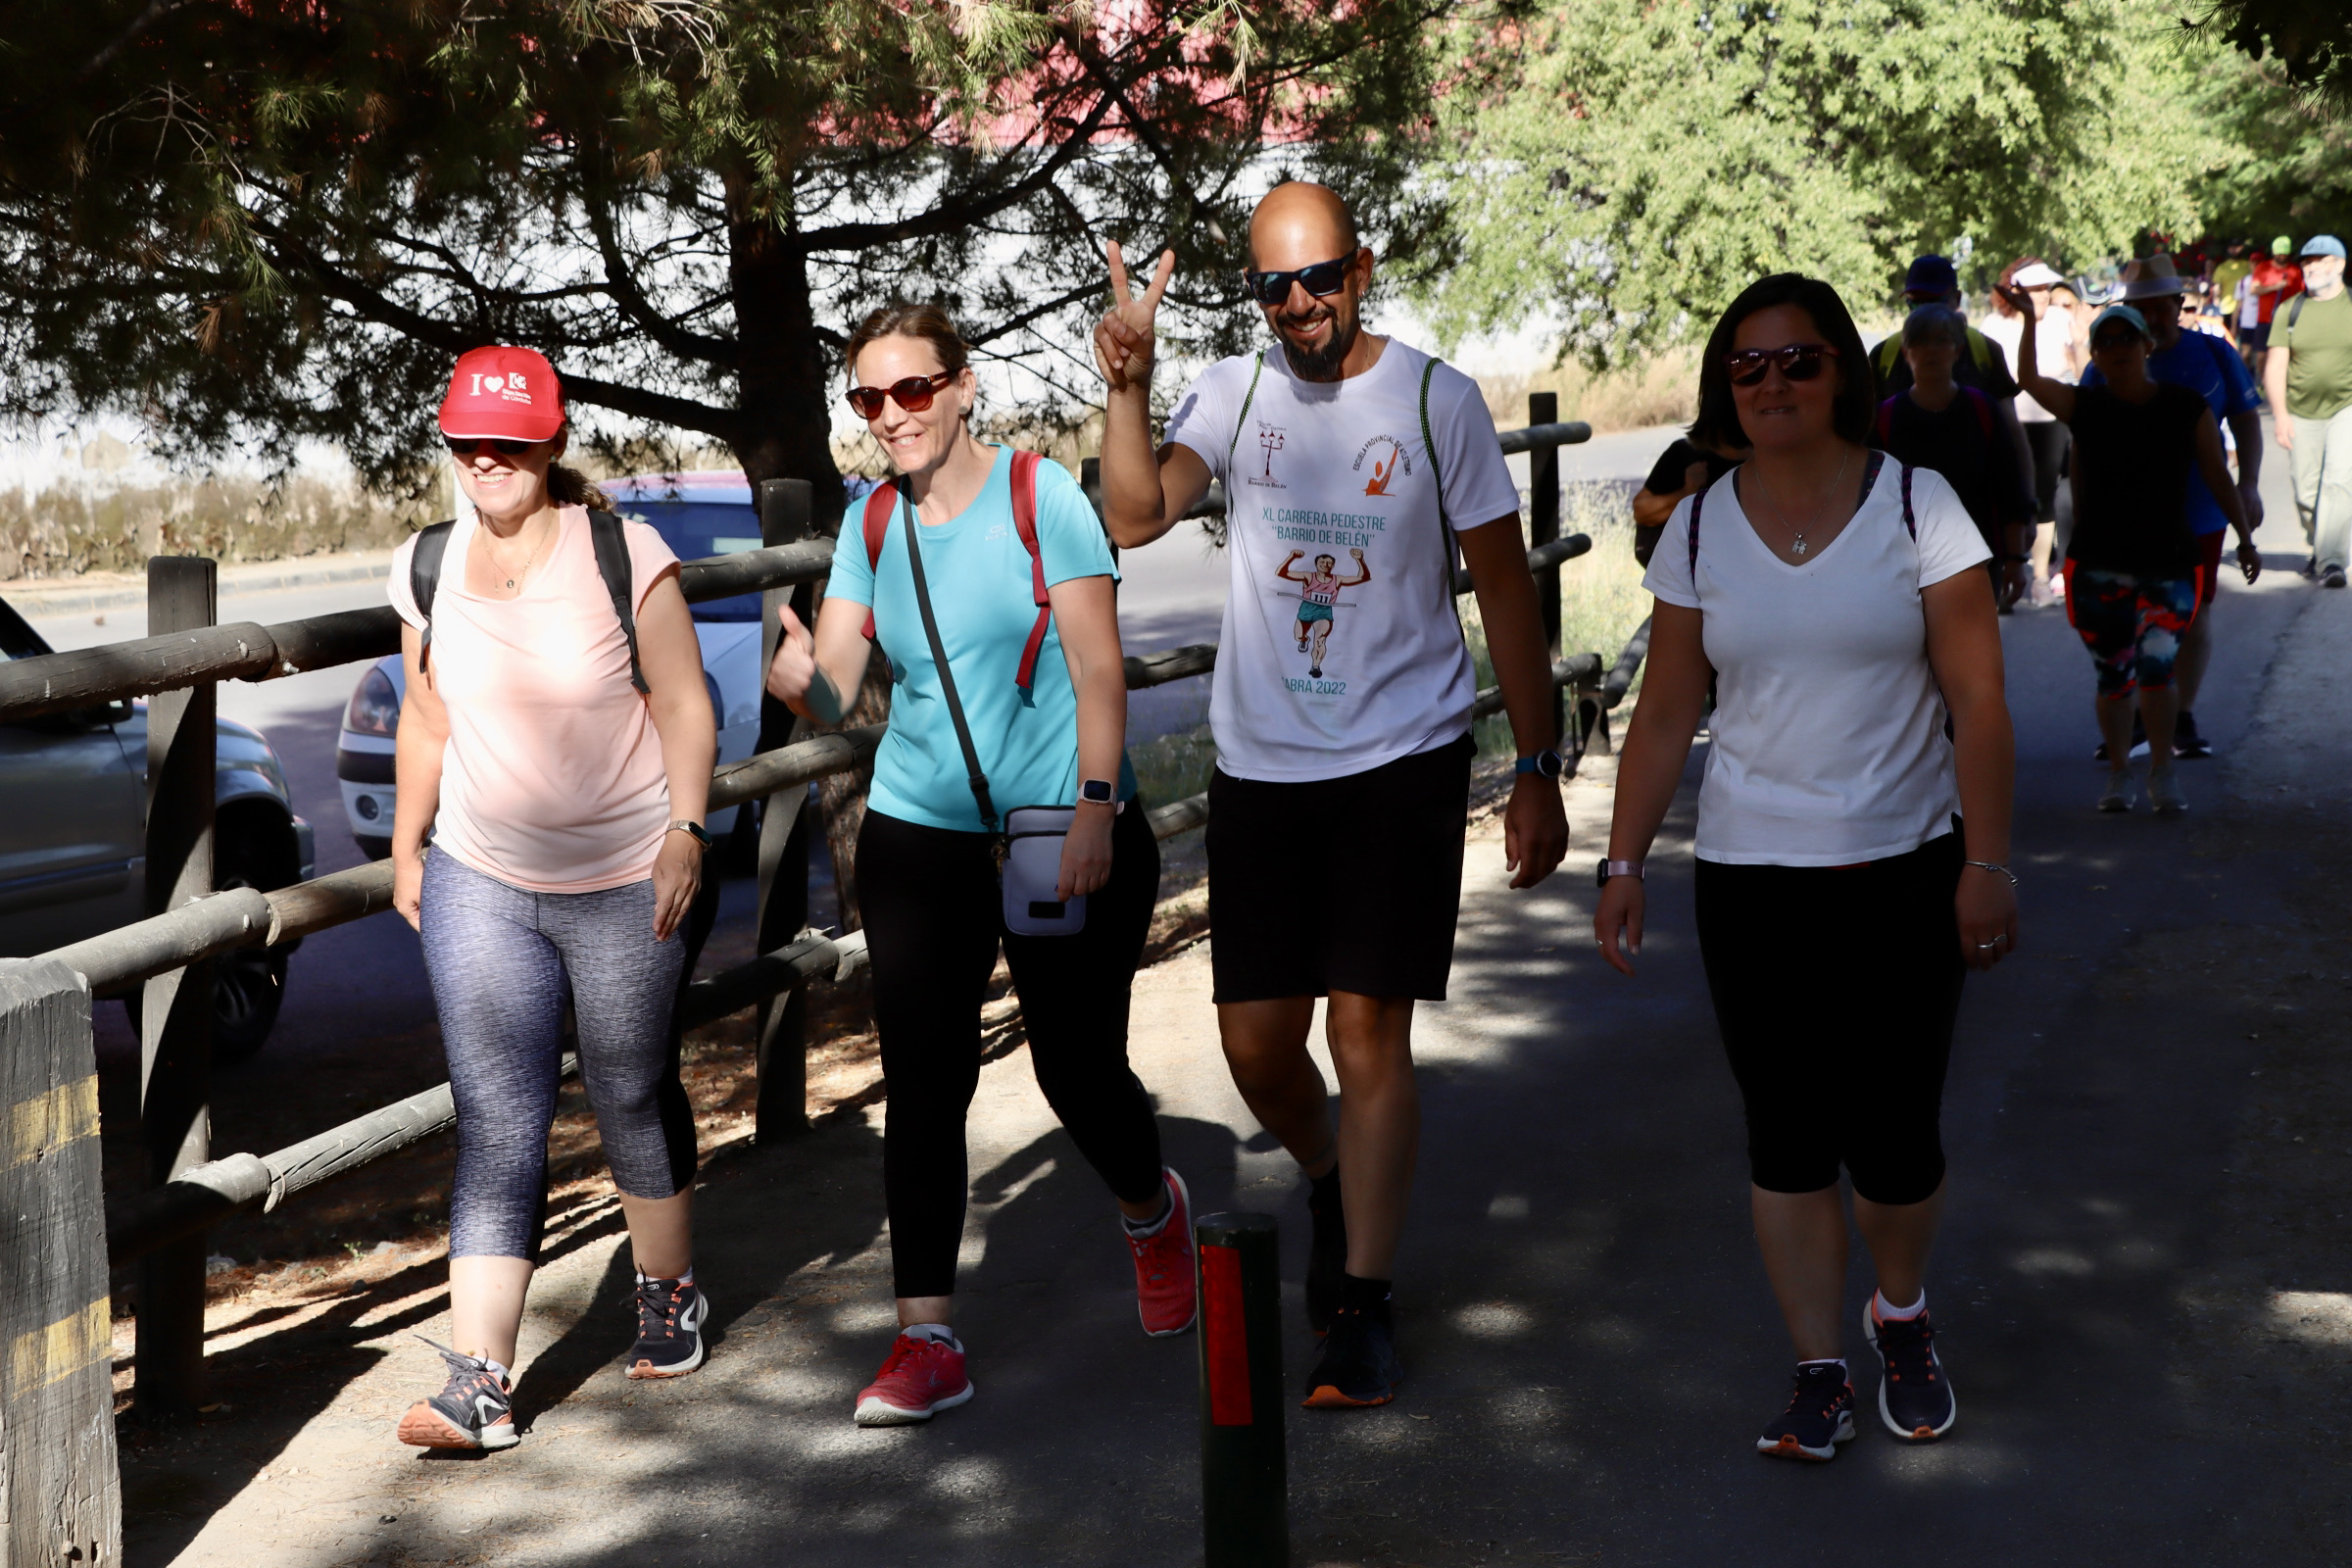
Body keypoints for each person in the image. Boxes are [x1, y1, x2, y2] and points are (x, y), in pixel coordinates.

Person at [1093, 181, 1570, 1409]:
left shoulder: (1434, 400)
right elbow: (1135, 516)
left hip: (1401, 758)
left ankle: (1363, 1299)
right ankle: (1327, 1172)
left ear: (1362, 270)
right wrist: (1130, 383)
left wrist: (1532, 762)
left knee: (1367, 1032)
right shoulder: (1234, 389)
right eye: (1272, 286)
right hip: (1263, 763)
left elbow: (1506, 591)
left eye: (1320, 279)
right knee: (1257, 1044)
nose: (1299, 305)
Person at [1594, 272, 2019, 1462]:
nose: (1773, 381)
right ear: (1726, 385)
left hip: (1904, 866)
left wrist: (1990, 863)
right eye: (1749, 364)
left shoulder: (1917, 505)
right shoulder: (1696, 522)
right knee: (1784, 1135)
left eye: (1799, 360)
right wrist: (1622, 859)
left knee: (1894, 1142)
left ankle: (1901, 1309)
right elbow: (1670, 702)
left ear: (1844, 370)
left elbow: (1979, 703)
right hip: (1750, 874)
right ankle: (1816, 1366)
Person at [762, 302, 1192, 1427]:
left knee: (1075, 1074)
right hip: (921, 829)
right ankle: (926, 1337)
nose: (891, 416)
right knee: (926, 1079)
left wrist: (1098, 806)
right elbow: (843, 682)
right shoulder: (868, 524)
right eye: (868, 399)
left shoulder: (1040, 496)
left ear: (961, 388)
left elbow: (1102, 670)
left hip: (1066, 821)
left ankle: (1151, 1207)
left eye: (912, 391)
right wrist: (797, 671)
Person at [390, 346, 717, 1451]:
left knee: (629, 1090)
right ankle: (480, 1380)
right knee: (497, 1120)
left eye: (511, 441)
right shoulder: (427, 565)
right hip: (482, 877)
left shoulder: (624, 553)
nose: (487, 458)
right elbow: (428, 719)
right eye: (468, 441)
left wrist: (685, 831)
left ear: (550, 442)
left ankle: (669, 1289)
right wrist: (405, 848)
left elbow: (683, 702)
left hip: (626, 875)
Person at [2002, 289, 2254, 814]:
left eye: (2127, 338)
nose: (2118, 348)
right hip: (2099, 564)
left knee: (2158, 667)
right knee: (2114, 674)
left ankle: (2163, 771)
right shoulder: (2085, 405)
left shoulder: (2185, 407)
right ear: (2095, 355)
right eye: (2106, 341)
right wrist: (2031, 321)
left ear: (2146, 345)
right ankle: (2120, 773)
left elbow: (2215, 472)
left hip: (2168, 560)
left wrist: (2245, 537)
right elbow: (2028, 381)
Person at [2079, 255, 2265, 759]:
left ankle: (2179, 717)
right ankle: (2136, 718)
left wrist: (2248, 487)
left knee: (2193, 614)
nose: (2153, 319)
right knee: (2130, 618)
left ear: (2179, 306)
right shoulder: (2110, 359)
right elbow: (2081, 435)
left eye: (2161, 308)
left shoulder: (2214, 354)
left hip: (2200, 511)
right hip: (2125, 517)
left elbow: (2247, 419)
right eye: (2141, 308)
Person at [1876, 305, 2035, 608]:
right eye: (1920, 342)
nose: (1930, 350)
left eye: (1940, 340)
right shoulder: (1885, 418)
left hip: (1980, 560)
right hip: (1906, 566)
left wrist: (2016, 560)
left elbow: (2009, 486)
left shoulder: (1983, 410)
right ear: (1906, 351)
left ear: (1958, 349)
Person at [1874, 255, 2037, 535]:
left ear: (1956, 299)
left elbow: (2012, 435)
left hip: (1977, 522)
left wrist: (2025, 511)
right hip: (1903, 529)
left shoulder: (1984, 351)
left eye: (1935, 302)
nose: (1925, 312)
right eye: (1915, 302)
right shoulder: (1884, 355)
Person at [1980, 260, 2077, 600]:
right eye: (2036, 290)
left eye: (2047, 289)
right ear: (2016, 292)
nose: (2044, 296)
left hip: (2051, 422)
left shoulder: (2061, 319)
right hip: (2008, 420)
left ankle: (2038, 578)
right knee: (2010, 496)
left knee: (2045, 497)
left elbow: (2072, 360)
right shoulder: (1993, 324)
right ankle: (2005, 571)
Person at [2266, 236, 2352, 589]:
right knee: (2305, 491)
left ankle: (2332, 561)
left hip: (2345, 408)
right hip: (2301, 411)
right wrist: (2280, 415)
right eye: (2306, 261)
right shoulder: (2291, 309)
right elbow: (2275, 367)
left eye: (2320, 259)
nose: (2311, 266)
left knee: (2338, 481)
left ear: (2341, 264)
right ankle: (2320, 547)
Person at [1632, 434, 1748, 566]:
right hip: (1689, 572)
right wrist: (1688, 492)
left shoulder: (1767, 459)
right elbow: (1641, 512)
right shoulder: (1687, 454)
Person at [2241, 236, 2305, 379]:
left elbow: (2301, 295)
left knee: (2286, 353)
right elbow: (2254, 290)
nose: (2282, 256)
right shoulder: (2262, 268)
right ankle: (2262, 380)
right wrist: (2275, 287)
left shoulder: (2294, 271)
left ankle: (2283, 380)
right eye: (2279, 253)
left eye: (2284, 253)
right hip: (2265, 319)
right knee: (2261, 355)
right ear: (2273, 252)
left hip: (2286, 319)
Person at [2214, 239, 2254, 353]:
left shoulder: (2248, 265)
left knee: (2244, 344)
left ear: (2242, 248)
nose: (2235, 249)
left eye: (2237, 246)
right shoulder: (2222, 267)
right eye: (2232, 247)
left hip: (2245, 309)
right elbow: (2217, 288)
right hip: (2226, 308)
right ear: (2228, 249)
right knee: (2227, 340)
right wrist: (2216, 307)